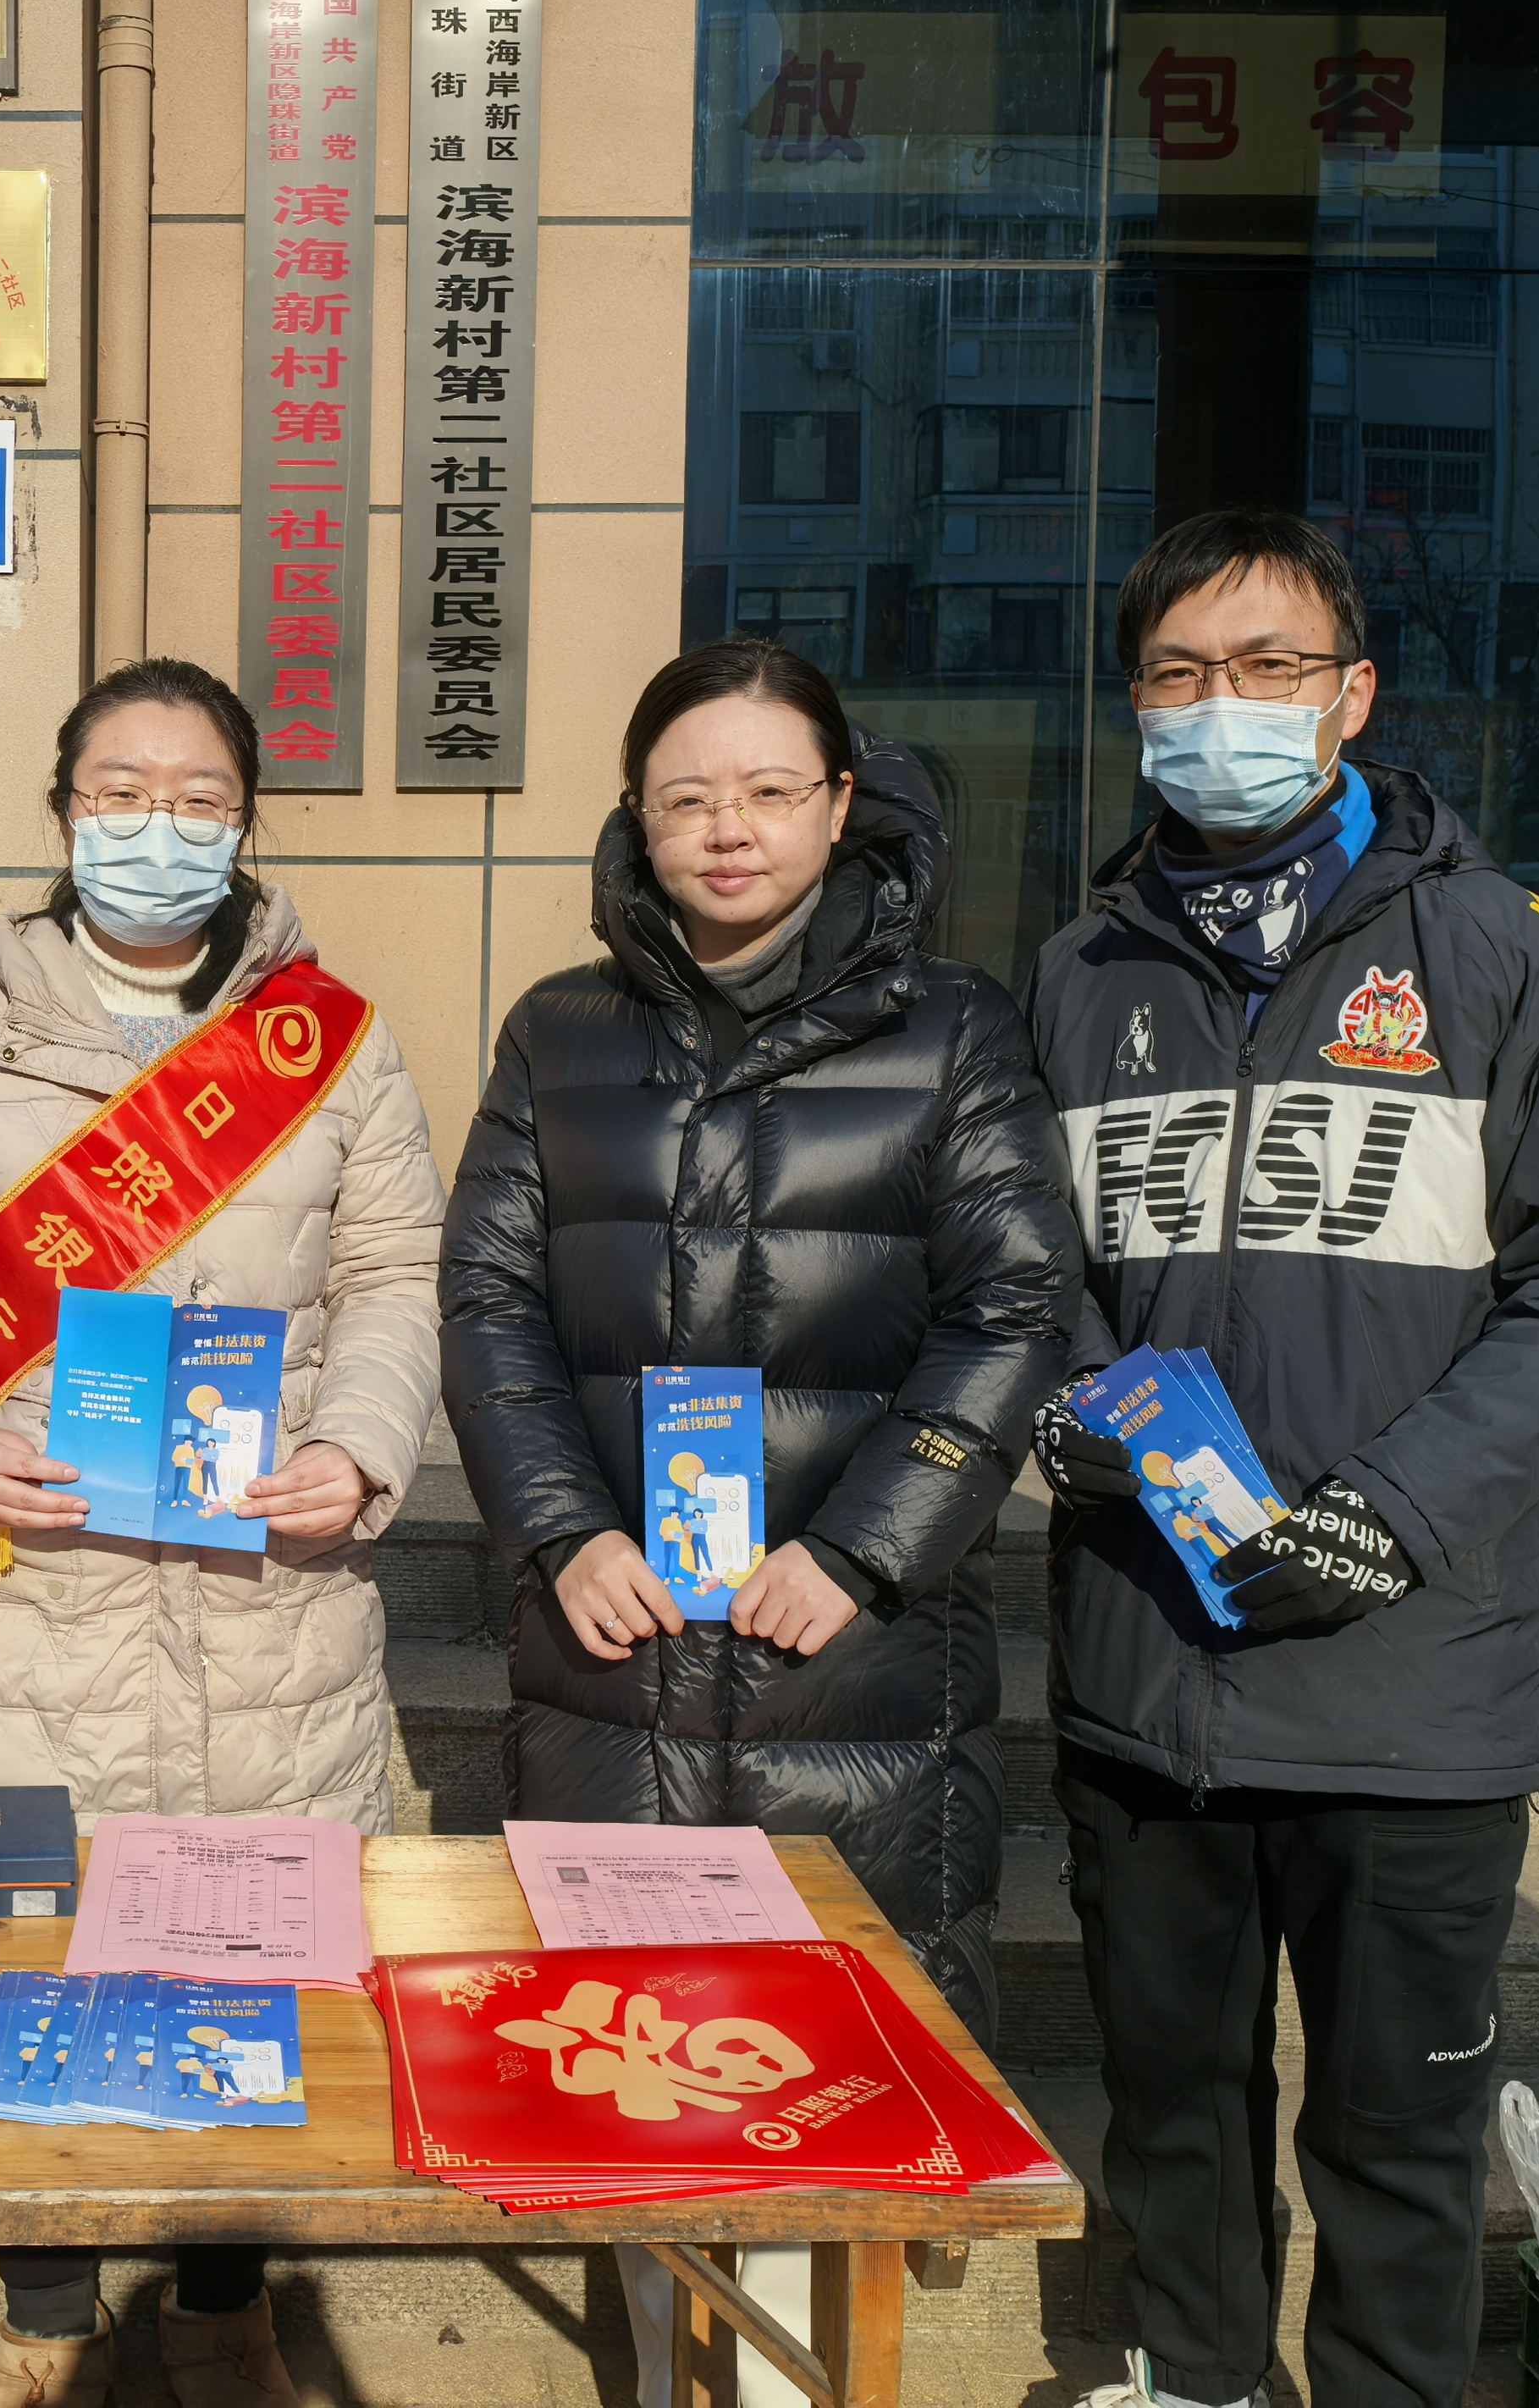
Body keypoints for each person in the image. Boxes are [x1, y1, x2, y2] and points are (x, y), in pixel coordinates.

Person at [1024, 511, 1539, 2408]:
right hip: (1147, 1670)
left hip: (1411, 1690)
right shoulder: (1077, 968)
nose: (1220, 706)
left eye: (1269, 668)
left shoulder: (1516, 956)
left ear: (1353, 695)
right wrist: (1070, 1406)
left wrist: (1388, 1517)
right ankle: (1195, 2382)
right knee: (1170, 2115)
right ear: (1134, 704)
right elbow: (1021, 1269)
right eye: (1178, 673)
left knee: (1397, 2149)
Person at [439, 638, 1079, 2405]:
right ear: (636, 821)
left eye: (769, 791)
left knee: (826, 2076)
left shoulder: (956, 1032)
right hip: (615, 1644)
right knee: (635, 2059)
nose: (727, 830)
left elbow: (1018, 1305)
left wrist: (866, 1544)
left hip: (847, 1657)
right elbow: (487, 1301)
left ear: (839, 803)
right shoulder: (559, 1034)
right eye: (685, 799)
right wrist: (561, 1529)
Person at [0, 657, 442, 2408]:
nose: (157, 827)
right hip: (23, 1604)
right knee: (13, 1969)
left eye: (197, 798)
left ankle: (224, 2306)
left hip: (268, 1602)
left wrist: (360, 1448)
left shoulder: (331, 1041)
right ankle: (47, 2309)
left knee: (247, 1978)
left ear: (245, 822)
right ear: (63, 811)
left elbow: (396, 1276)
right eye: (119, 793)